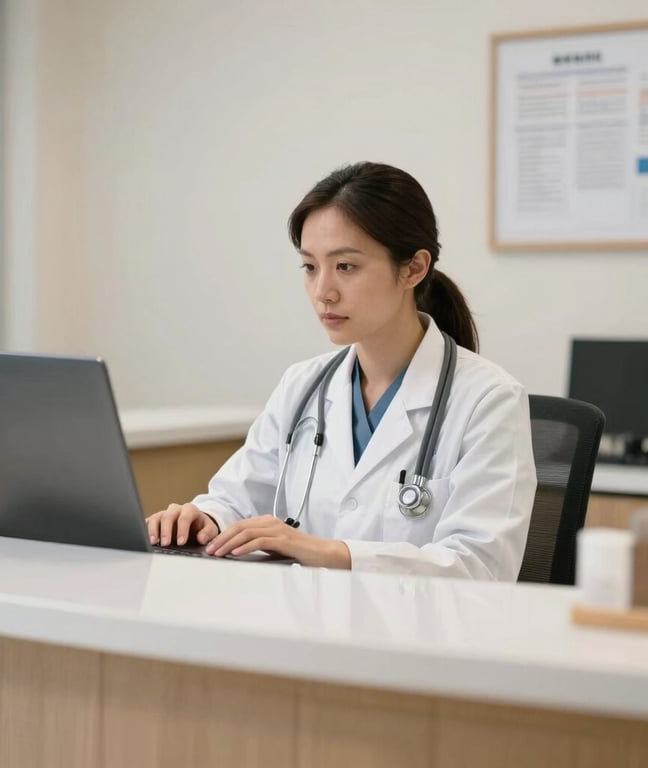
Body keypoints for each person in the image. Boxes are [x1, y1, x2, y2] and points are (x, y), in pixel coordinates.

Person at [147, 162, 536, 579]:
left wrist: (331, 553)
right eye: (311, 267)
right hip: (307, 628)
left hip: (419, 638)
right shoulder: (302, 385)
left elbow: (482, 567)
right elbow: (236, 498)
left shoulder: (487, 399)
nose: (323, 292)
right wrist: (206, 519)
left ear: (414, 268)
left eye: (345, 267)